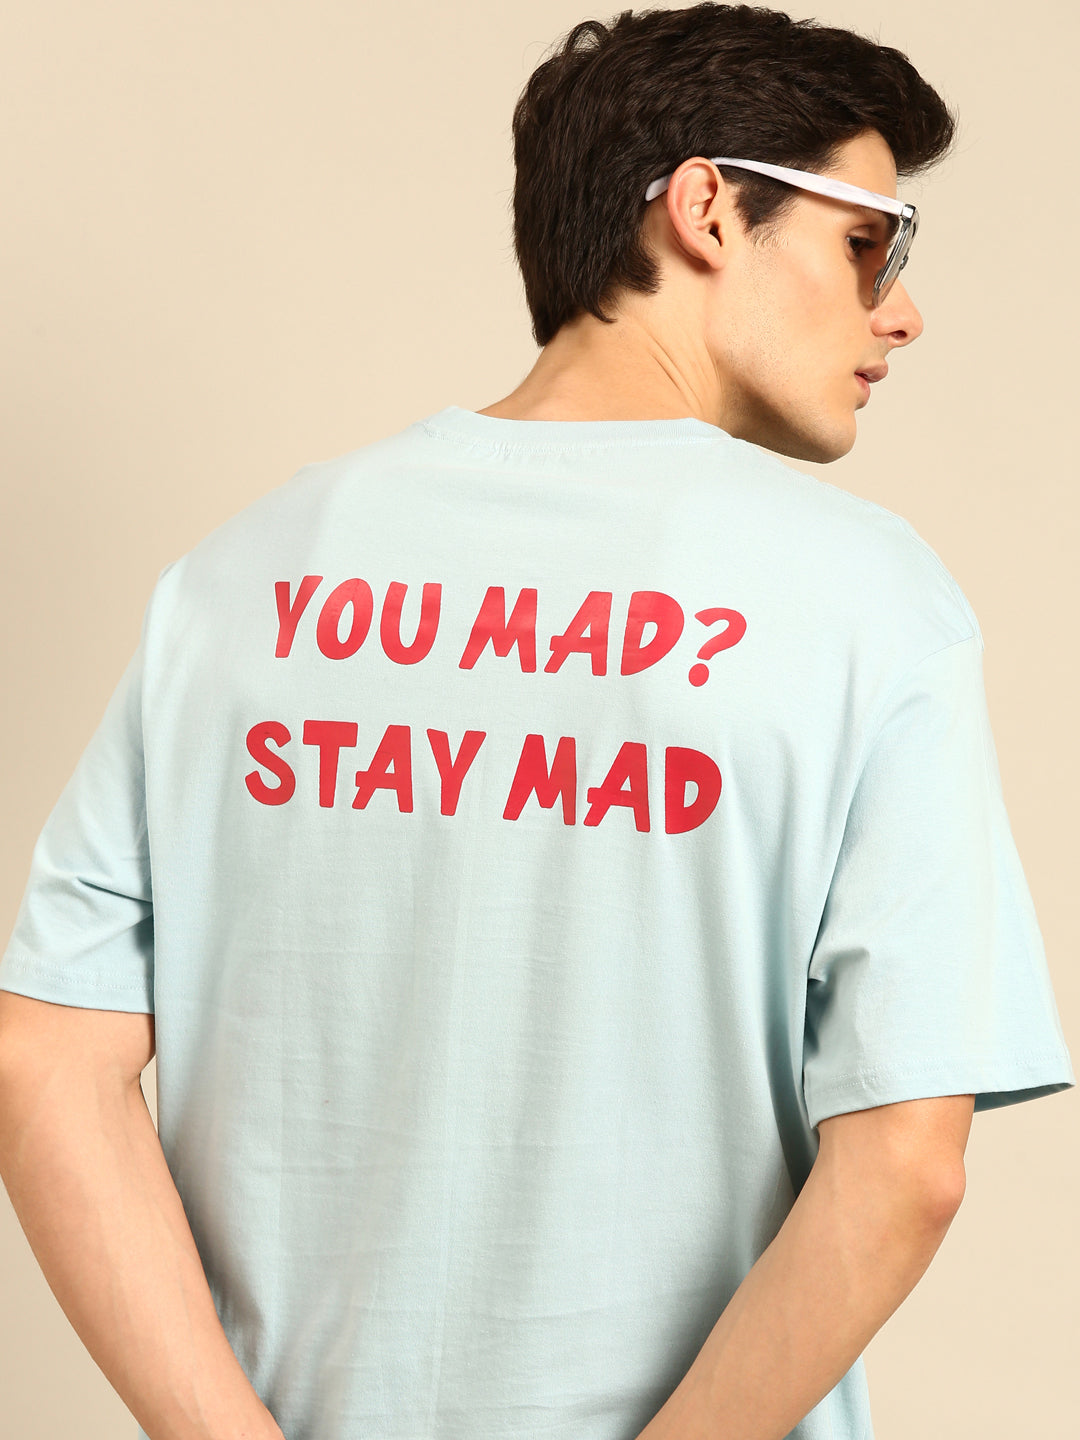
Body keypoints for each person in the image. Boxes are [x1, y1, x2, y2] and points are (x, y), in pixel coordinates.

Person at [0, 4, 1073, 1439]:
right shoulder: (870, 602)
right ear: (707, 209)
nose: (901, 310)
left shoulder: (238, 579)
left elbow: (48, 1063)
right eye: (868, 242)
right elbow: (907, 1166)